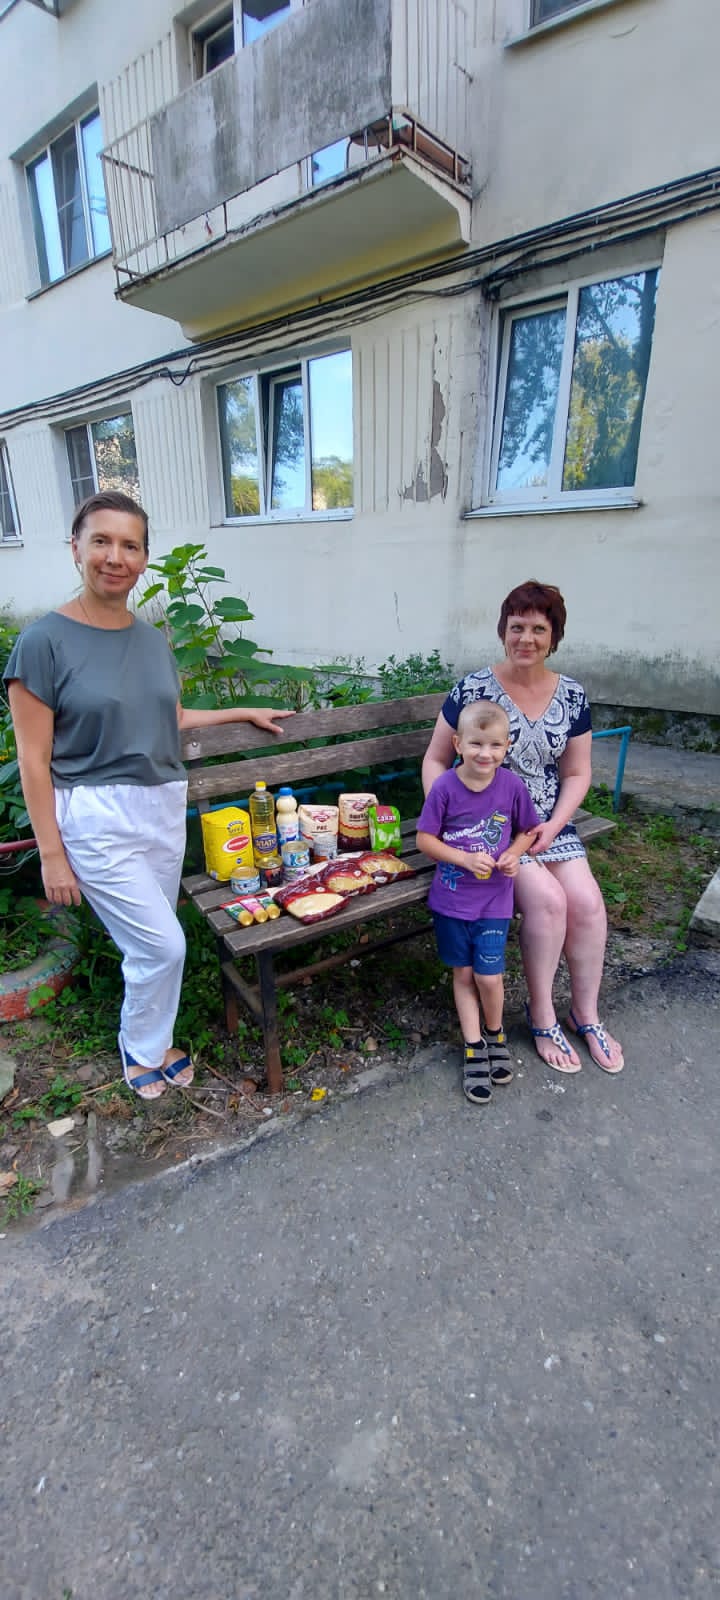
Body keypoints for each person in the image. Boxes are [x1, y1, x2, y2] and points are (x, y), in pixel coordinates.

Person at [4, 490, 294, 1102]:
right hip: (95, 814)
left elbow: (172, 716)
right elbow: (32, 759)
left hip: (162, 807)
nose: (116, 557)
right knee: (164, 944)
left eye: (130, 545)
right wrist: (52, 855)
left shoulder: (153, 639)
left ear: (143, 558)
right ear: (75, 548)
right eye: (101, 541)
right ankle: (140, 1048)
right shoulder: (43, 643)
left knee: (150, 944)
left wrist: (242, 711)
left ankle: (154, 1041)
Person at [422, 580, 624, 1075]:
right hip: (490, 832)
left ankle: (586, 1014)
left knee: (588, 904)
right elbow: (435, 759)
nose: (526, 638)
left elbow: (577, 772)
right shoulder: (473, 690)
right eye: (517, 627)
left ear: (554, 636)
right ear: (503, 631)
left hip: (549, 824)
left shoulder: (572, 694)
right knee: (550, 903)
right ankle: (542, 1015)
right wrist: (447, 817)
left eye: (538, 629)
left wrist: (555, 824)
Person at [416, 702, 541, 1105]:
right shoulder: (444, 788)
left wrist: (514, 854)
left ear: (507, 746)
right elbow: (425, 840)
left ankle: (495, 1033)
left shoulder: (511, 786)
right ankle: (473, 1047)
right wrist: (464, 859)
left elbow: (528, 830)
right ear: (457, 744)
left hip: (494, 901)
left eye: (494, 745)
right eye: (476, 744)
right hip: (452, 902)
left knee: (489, 977)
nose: (485, 754)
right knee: (464, 974)